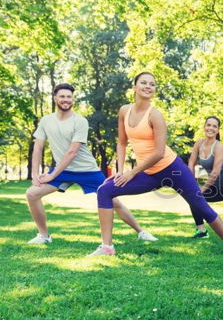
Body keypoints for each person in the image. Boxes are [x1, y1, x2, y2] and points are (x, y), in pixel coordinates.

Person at [93, 72, 223, 257]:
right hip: (149, 173)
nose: (148, 86)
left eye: (152, 84)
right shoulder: (125, 111)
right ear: (134, 87)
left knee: (201, 206)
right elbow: (122, 142)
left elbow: (158, 152)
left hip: (173, 169)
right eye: (144, 83)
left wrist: (131, 172)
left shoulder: (155, 115)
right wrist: (120, 171)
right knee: (105, 190)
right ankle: (107, 247)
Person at [25, 83, 156, 244]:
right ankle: (44, 236)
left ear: (72, 99)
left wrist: (51, 175)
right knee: (32, 194)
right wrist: (35, 174)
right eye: (62, 96)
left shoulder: (80, 121)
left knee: (113, 201)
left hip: (86, 170)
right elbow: (38, 147)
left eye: (69, 97)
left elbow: (72, 152)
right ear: (55, 98)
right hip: (62, 170)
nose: (66, 100)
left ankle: (141, 231)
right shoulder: (46, 121)